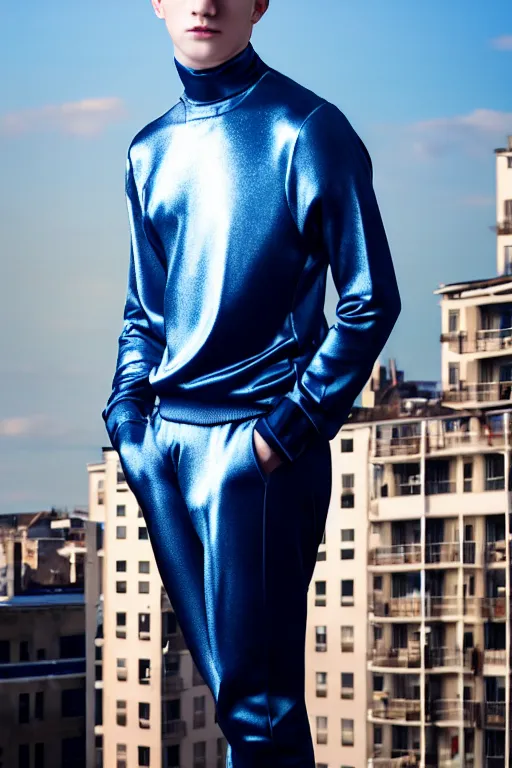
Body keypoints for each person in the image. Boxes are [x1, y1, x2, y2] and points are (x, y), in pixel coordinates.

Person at [101, 1, 402, 766]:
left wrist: (284, 433)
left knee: (260, 713)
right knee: (238, 711)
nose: (206, 2)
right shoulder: (148, 152)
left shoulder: (307, 130)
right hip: (163, 451)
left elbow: (371, 299)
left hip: (256, 455)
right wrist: (128, 423)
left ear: (263, 1)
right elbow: (145, 312)